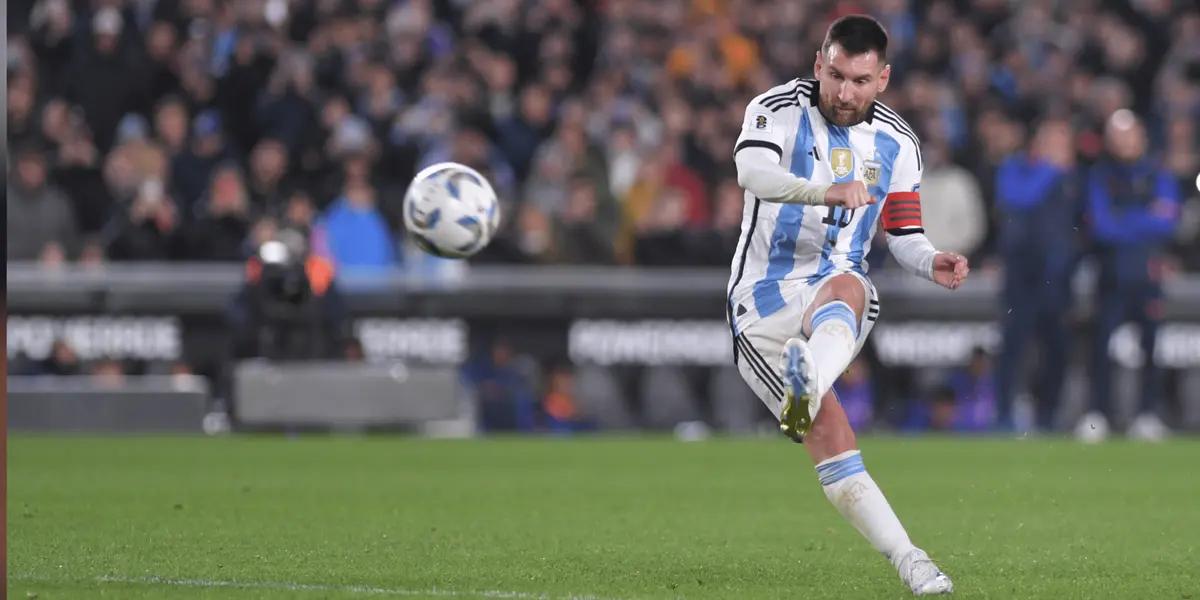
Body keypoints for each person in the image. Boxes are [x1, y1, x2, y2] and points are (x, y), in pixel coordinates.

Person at [728, 16, 967, 595]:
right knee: (830, 436)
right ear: (818, 65)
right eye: (835, 75)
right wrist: (824, 190)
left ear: (882, 79)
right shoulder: (776, 109)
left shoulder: (898, 143)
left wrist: (930, 260)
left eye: (860, 80)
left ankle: (912, 561)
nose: (844, 92)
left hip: (832, 286)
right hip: (762, 302)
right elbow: (751, 172)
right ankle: (808, 384)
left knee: (852, 285)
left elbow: (904, 234)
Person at [1078, 109, 1181, 443]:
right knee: (1101, 348)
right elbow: (1101, 226)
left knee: (1151, 348)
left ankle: (1147, 414)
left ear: (1142, 137)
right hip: (1111, 275)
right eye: (1117, 136)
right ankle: (1097, 415)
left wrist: (1123, 218)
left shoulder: (1157, 174)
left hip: (1148, 277)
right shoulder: (1100, 175)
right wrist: (1143, 219)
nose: (1124, 142)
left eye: (1129, 134)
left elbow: (1168, 223)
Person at [993, 118, 1081, 432]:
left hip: (1058, 277)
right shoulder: (1015, 168)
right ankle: (1005, 414)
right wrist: (1051, 170)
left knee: (1056, 349)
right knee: (1014, 347)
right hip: (1021, 274)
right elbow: (1017, 197)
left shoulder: (1074, 179)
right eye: (1052, 142)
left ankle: (1049, 415)